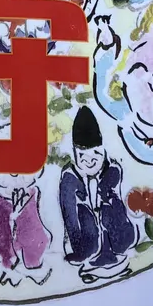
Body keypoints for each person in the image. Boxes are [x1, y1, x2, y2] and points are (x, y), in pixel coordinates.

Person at [59, 105, 137, 281]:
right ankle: (90, 262)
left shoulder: (112, 169)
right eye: (82, 155)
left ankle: (113, 258)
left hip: (112, 232)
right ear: (75, 154)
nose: (89, 161)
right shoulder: (69, 178)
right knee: (87, 230)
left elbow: (117, 203)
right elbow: (69, 215)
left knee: (110, 213)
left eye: (95, 153)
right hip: (85, 235)